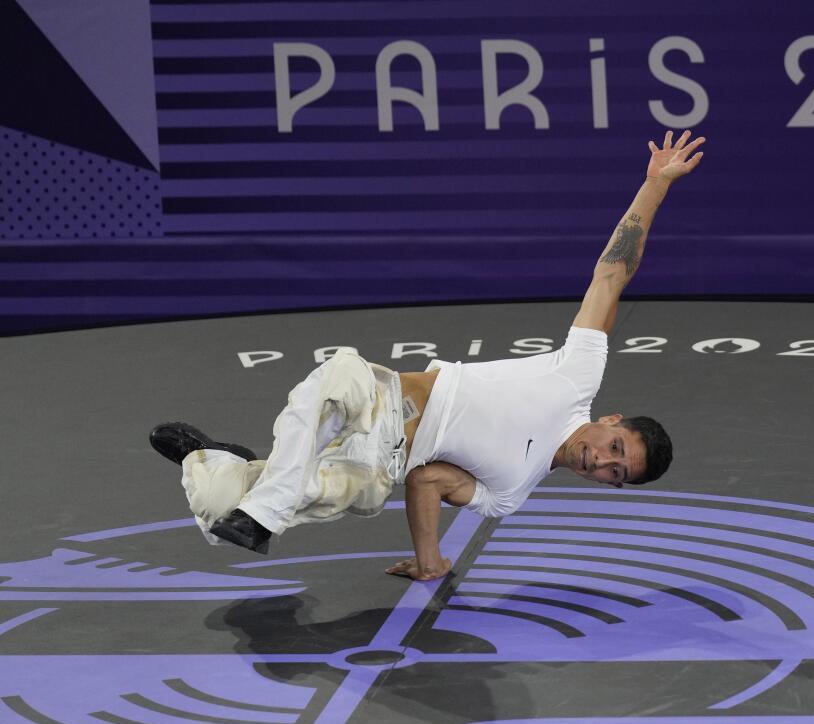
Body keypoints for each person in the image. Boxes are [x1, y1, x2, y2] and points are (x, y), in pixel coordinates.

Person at [150, 130, 705, 581]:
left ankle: (217, 459)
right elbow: (611, 274)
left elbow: (427, 481)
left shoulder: (510, 493)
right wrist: (655, 185)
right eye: (614, 447)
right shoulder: (576, 378)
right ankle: (266, 510)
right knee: (337, 375)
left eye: (615, 473)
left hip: (377, 464)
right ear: (611, 420)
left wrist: (430, 559)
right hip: (379, 394)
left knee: (223, 508)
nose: (601, 462)